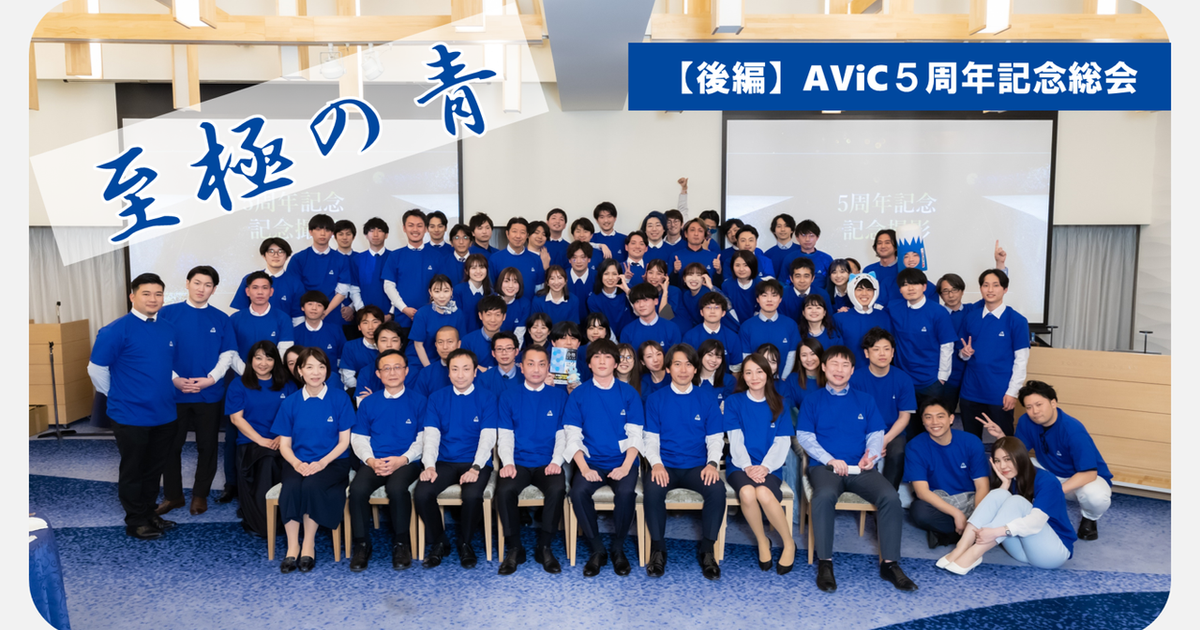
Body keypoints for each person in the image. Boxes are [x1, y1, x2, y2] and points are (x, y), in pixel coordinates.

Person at [797, 345, 917, 592]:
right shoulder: (812, 400)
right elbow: (805, 437)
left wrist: (870, 457)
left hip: (861, 468)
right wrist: (830, 460)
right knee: (823, 496)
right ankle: (825, 563)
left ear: (852, 370)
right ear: (823, 367)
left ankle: (890, 564)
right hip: (826, 468)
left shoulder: (865, 400)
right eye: (834, 364)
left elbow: (876, 433)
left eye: (845, 365)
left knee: (890, 497)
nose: (839, 370)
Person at [88, 273, 180, 540]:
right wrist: (117, 394)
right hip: (130, 415)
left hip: (164, 413)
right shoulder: (115, 330)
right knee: (133, 470)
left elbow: (163, 366)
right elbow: (96, 369)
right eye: (146, 293)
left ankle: (149, 513)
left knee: (154, 468)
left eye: (158, 294)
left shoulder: (168, 328)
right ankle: (135, 521)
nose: (153, 299)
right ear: (132, 296)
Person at [984, 380, 1112, 541]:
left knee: (1095, 496)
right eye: (1029, 407)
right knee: (1011, 466)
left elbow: (1089, 473)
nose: (1035, 411)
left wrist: (1053, 491)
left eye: (1039, 404)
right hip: (1049, 470)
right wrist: (1001, 436)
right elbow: (1018, 454)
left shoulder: (1073, 430)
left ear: (1053, 403)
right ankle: (1023, 507)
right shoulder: (1026, 421)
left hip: (1082, 478)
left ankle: (1090, 518)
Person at [157, 265, 237, 517]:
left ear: (214, 289)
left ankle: (200, 494)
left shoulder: (221, 318)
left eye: (208, 285)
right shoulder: (167, 314)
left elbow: (227, 355)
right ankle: (173, 496)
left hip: (208, 393)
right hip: (174, 393)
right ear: (187, 283)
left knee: (207, 446)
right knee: (171, 446)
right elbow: (157, 351)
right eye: (197, 283)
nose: (202, 289)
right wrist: (174, 379)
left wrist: (210, 380)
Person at [643, 344, 726, 580]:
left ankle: (707, 550)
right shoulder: (655, 399)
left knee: (717, 490)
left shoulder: (706, 398)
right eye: (677, 364)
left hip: (697, 466)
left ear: (695, 369)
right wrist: (656, 464)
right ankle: (658, 550)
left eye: (689, 364)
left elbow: (715, 438)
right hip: (666, 465)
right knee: (652, 489)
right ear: (668, 368)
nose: (683, 369)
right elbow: (650, 439)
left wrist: (712, 464)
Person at [564, 340, 644, 577]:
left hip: (623, 461)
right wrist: (584, 468)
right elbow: (572, 436)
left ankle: (618, 548)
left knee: (626, 493)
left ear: (616, 363)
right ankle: (597, 549)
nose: (602, 361)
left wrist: (626, 467)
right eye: (596, 357)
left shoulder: (629, 394)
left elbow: (636, 435)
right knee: (578, 492)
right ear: (589, 364)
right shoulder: (579, 395)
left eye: (607, 357)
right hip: (592, 462)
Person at [938, 437, 1076, 574]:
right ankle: (961, 547)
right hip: (1021, 550)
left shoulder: (1047, 481)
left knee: (1017, 501)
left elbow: (1036, 522)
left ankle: (973, 554)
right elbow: (994, 509)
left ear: (1020, 456)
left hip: (1051, 553)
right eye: (997, 461)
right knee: (998, 494)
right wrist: (1004, 486)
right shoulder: (1011, 480)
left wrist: (995, 532)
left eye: (1007, 459)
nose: (1002, 466)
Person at [271, 347, 354, 573]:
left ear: (327, 370)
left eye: (321, 367)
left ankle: (308, 543)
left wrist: (322, 463)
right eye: (309, 367)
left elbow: (344, 442)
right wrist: (296, 463)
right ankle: (292, 547)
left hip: (333, 462)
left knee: (311, 485)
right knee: (291, 487)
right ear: (300, 371)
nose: (315, 372)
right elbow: (285, 445)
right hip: (298, 460)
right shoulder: (290, 403)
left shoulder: (340, 399)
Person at [415, 348, 499, 569]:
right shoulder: (437, 398)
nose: (460, 375)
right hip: (445, 461)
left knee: (472, 495)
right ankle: (440, 542)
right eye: (455, 369)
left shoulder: (487, 398)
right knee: (422, 493)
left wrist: (476, 467)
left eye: (466, 369)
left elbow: (488, 438)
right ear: (449, 372)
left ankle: (465, 543)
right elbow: (431, 436)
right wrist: (429, 466)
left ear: (474, 372)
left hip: (475, 462)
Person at [347, 350, 426, 572]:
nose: (392, 372)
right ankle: (362, 545)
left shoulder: (419, 401)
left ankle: (401, 544)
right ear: (378, 374)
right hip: (375, 460)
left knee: (397, 488)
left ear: (406, 371)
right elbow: (359, 438)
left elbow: (424, 438)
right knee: (357, 490)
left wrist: (403, 459)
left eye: (397, 367)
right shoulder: (368, 403)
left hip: (407, 461)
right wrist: (371, 461)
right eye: (386, 368)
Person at [494, 345, 570, 575]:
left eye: (541, 364)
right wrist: (508, 463)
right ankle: (515, 548)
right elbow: (505, 435)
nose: (536, 369)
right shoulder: (508, 396)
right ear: (522, 367)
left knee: (557, 489)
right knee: (504, 490)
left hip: (548, 462)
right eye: (530, 364)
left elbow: (563, 435)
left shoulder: (559, 397)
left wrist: (556, 461)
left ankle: (544, 547)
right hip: (518, 461)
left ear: (548, 368)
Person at [725, 354, 796, 574]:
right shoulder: (734, 402)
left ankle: (789, 543)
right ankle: (762, 541)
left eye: (759, 371)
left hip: (770, 466)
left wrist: (765, 467)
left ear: (768, 374)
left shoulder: (781, 403)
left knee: (764, 493)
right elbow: (735, 440)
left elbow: (782, 442)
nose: (754, 377)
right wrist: (747, 466)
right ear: (743, 376)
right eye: (748, 372)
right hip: (739, 465)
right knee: (747, 492)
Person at [227, 341, 297, 538]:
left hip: (283, 440)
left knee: (286, 461)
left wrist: (281, 437)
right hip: (251, 442)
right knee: (268, 460)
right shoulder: (238, 384)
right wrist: (261, 440)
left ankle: (286, 518)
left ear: (276, 361)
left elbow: (295, 416)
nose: (263, 363)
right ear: (251, 360)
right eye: (258, 358)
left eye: (269, 358)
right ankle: (263, 521)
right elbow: (236, 419)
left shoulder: (287, 385)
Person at [904, 401, 991, 549]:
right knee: (919, 512)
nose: (934, 422)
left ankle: (949, 535)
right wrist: (957, 514)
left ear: (951, 419)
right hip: (941, 501)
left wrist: (976, 519)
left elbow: (982, 486)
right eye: (928, 417)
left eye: (940, 416)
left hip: (971, 499)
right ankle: (971, 535)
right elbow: (922, 491)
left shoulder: (971, 442)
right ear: (923, 421)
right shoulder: (915, 446)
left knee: (997, 506)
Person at [957, 269, 1030, 439]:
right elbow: (962, 354)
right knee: (971, 440)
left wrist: (1013, 392)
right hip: (970, 391)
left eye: (995, 285)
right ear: (980, 289)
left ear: (1005, 289)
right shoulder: (971, 317)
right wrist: (964, 353)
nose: (990, 290)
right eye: (985, 285)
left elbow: (1021, 360)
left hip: (1000, 393)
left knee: (1004, 441)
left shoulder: (1017, 320)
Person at [890, 267, 956, 434]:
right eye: (905, 285)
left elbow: (947, 345)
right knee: (908, 427)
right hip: (905, 379)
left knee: (932, 427)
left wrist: (942, 377)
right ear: (900, 290)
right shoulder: (893, 308)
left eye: (915, 284)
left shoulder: (938, 312)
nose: (910, 288)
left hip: (931, 381)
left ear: (924, 287)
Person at [849, 328, 917, 489]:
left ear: (892, 353)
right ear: (866, 353)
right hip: (863, 431)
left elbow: (904, 417)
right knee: (858, 450)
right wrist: (873, 442)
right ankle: (865, 492)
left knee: (898, 452)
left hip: (892, 432)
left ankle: (889, 495)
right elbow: (851, 416)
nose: (882, 354)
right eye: (876, 349)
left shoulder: (903, 379)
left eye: (886, 349)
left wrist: (883, 440)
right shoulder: (855, 379)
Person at [382, 209, 440, 336]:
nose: (415, 229)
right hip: (402, 319)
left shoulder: (436, 256)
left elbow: (441, 288)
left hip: (430, 318)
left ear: (426, 229)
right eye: (411, 225)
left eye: (419, 225)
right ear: (404, 228)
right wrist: (404, 309)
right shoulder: (395, 255)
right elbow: (388, 286)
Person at [287, 214, 352, 323]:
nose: (322, 233)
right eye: (318, 229)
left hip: (331, 315)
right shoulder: (299, 258)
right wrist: (310, 313)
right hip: (304, 316)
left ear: (332, 233)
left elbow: (342, 291)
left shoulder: (341, 259)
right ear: (310, 232)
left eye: (327, 230)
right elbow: (294, 289)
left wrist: (324, 313)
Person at [230, 271, 296, 375]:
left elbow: (284, 350)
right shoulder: (234, 319)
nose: (260, 292)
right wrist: (247, 373)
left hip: (273, 377)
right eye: (255, 288)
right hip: (242, 376)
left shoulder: (283, 318)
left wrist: (267, 372)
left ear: (271, 291)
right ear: (247, 291)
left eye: (265, 288)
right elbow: (230, 351)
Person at [230, 238, 306, 324]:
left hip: (283, 330)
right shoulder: (250, 279)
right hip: (253, 329)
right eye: (271, 251)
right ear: (264, 255)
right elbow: (240, 312)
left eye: (280, 251)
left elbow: (298, 317)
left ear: (287, 256)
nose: (276, 255)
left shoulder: (295, 283)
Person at [738, 279, 799, 379]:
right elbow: (746, 357)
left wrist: (783, 379)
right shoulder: (746, 326)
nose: (769, 300)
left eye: (774, 295)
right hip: (755, 381)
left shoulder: (791, 325)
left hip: (783, 381)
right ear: (757, 299)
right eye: (764, 295)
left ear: (780, 299)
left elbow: (792, 356)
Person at [407, 274, 466, 374]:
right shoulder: (422, 313)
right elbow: (418, 345)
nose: (442, 296)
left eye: (446, 291)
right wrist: (430, 369)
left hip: (448, 362)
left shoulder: (458, 313)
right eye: (437, 291)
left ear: (451, 291)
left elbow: (460, 343)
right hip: (421, 361)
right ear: (430, 292)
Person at [293, 291, 346, 390]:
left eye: (319, 305)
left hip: (332, 382)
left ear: (324, 310)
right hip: (303, 383)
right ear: (302, 308)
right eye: (310, 304)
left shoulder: (335, 331)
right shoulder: (294, 333)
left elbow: (342, 358)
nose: (314, 308)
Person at [936, 272, 971, 416]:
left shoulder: (972, 310)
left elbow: (993, 295)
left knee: (971, 415)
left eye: (954, 290)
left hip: (969, 374)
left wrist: (1000, 265)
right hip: (945, 375)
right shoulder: (936, 314)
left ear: (962, 291)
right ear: (940, 295)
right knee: (944, 413)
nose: (951, 295)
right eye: (946, 291)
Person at [683, 291, 743, 373]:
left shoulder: (733, 337)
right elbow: (687, 366)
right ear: (701, 312)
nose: (712, 311)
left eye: (717, 307)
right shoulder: (689, 337)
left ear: (723, 313)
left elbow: (736, 370)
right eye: (708, 307)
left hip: (724, 380)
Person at [833, 273, 890, 354]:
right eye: (859, 289)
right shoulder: (839, 318)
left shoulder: (884, 316)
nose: (864, 293)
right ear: (852, 291)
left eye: (869, 289)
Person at [347, 218, 392, 319]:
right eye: (371, 231)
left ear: (386, 235)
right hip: (364, 316)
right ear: (366, 235)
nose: (375, 235)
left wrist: (391, 314)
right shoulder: (357, 259)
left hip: (389, 315)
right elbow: (354, 289)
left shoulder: (394, 257)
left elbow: (399, 288)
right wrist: (362, 312)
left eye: (379, 231)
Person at [620, 282, 682, 351]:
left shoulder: (672, 328)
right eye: (637, 301)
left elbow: (675, 356)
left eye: (645, 300)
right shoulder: (627, 331)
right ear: (633, 305)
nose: (641, 305)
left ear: (656, 301)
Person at [489, 217, 545, 292]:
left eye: (522, 232)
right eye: (514, 231)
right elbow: (491, 288)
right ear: (507, 234)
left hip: (530, 300)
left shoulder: (536, 259)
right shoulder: (495, 259)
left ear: (527, 235)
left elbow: (539, 290)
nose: (518, 236)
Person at [337, 306, 383, 396]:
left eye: (375, 322)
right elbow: (348, 377)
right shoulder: (350, 346)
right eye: (365, 323)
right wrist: (363, 390)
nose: (371, 327)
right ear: (359, 327)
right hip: (360, 391)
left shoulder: (390, 344)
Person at [354, 321, 404, 399]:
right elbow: (361, 403)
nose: (389, 345)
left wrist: (373, 399)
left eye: (394, 340)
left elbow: (413, 401)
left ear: (401, 344)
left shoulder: (411, 372)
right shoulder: (366, 372)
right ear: (376, 344)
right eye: (384, 340)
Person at [588, 259, 633, 334]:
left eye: (614, 274)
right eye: (606, 274)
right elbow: (601, 326)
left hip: (629, 335)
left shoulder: (628, 289)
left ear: (620, 276)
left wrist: (627, 291)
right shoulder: (593, 299)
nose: (610, 278)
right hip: (608, 337)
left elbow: (639, 311)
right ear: (601, 276)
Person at [413, 326, 460, 399]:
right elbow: (418, 401)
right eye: (440, 342)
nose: (445, 347)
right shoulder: (426, 373)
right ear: (436, 345)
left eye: (450, 342)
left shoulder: (469, 370)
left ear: (458, 344)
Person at [452, 253, 493, 335]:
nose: (478, 271)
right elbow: (455, 319)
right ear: (466, 271)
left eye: (482, 267)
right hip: (463, 337)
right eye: (473, 268)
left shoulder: (491, 293)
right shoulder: (458, 291)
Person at [673, 219, 722, 286]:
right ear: (686, 234)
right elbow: (671, 286)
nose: (696, 234)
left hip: (708, 293)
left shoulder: (714, 257)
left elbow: (718, 286)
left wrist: (718, 272)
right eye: (692, 230)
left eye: (700, 231)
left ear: (704, 235)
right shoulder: (676, 256)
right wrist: (675, 272)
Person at [780, 257, 830, 322]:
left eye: (806, 276)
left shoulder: (823, 295)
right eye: (798, 276)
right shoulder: (782, 296)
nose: (802, 280)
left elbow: (828, 320)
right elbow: (781, 322)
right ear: (791, 278)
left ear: (812, 278)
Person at [477, 332, 524, 396]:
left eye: (509, 348)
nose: (504, 353)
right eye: (499, 349)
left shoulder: (526, 376)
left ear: (516, 351)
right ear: (493, 353)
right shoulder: (483, 379)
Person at [722, 250, 760, 324]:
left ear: (753, 266)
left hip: (755, 325)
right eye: (737, 265)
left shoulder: (761, 284)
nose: (741, 269)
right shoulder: (726, 285)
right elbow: (728, 311)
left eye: (746, 265)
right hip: (732, 325)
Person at [793, 220, 834, 288]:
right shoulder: (790, 258)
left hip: (821, 294)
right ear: (797, 238)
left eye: (811, 235)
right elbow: (784, 283)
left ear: (817, 238)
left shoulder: (826, 259)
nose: (807, 239)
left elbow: (831, 284)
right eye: (803, 235)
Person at [496, 267, 531, 339]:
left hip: (515, 343)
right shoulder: (490, 300)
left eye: (515, 282)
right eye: (506, 281)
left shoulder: (525, 304)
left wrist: (511, 346)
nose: (510, 286)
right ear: (500, 283)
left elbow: (519, 334)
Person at [697, 339, 736, 403]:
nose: (714, 360)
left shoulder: (729, 381)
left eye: (718, 357)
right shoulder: (689, 378)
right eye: (710, 355)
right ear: (701, 354)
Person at [863, 229, 900, 298]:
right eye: (879, 243)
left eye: (887, 242)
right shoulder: (868, 270)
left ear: (896, 247)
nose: (883, 246)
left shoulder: (902, 269)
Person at [765, 214, 802, 279]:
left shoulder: (801, 250)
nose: (782, 229)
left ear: (792, 230)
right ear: (774, 230)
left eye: (786, 226)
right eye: (779, 226)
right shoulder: (768, 254)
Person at [567, 241, 596, 322]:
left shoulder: (598, 277)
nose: (578, 261)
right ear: (569, 260)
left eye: (583, 257)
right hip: (567, 324)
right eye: (574, 258)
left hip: (592, 325)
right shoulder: (561, 277)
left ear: (589, 259)